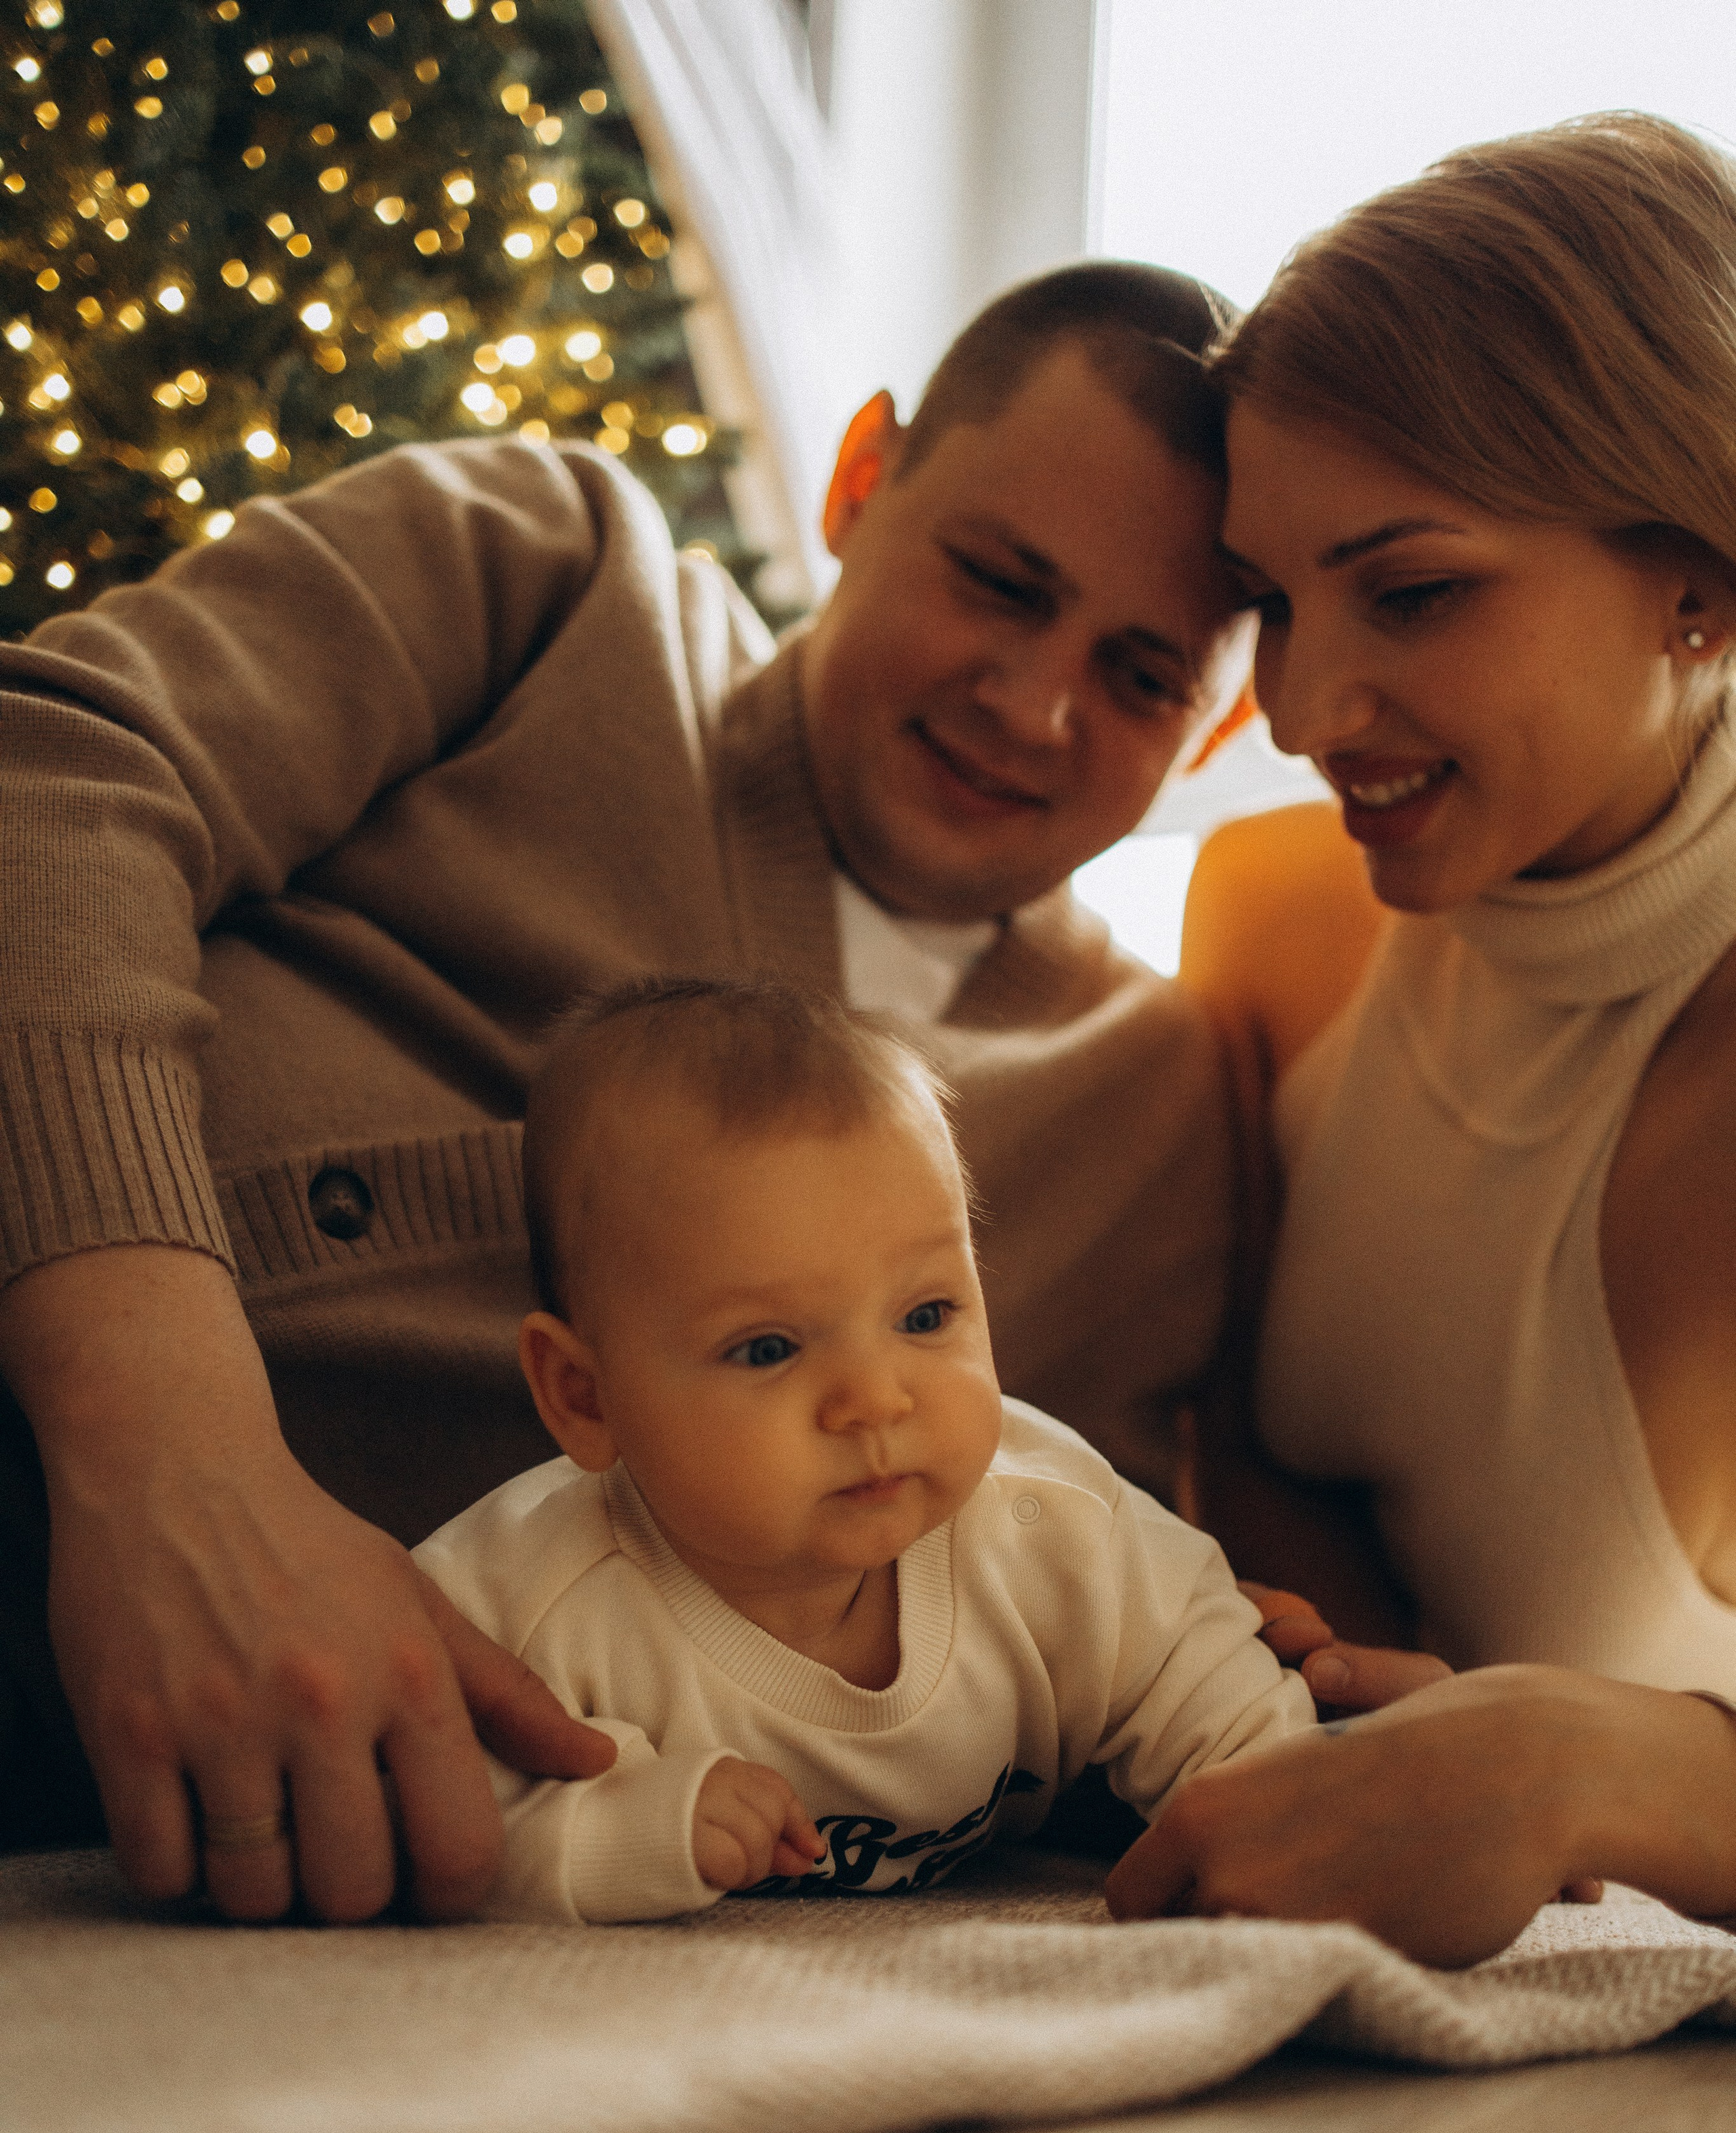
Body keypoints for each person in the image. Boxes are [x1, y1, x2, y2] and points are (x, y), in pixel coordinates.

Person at [0, 260, 1271, 1922]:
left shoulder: (1145, 1100)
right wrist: (168, 1458)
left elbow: (1047, 1588)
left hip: (389, 1863)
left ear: (1212, 722)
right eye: (997, 582)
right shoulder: (545, 572)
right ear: (858, 479)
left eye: (1138, 675)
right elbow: (47, 780)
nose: (1033, 705)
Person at [1111, 113, 1736, 1959]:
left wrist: (1584, 1765)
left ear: (1698, 575)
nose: (1302, 710)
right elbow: (1273, 1452)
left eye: (1414, 590)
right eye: (1273, 605)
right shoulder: (1276, 913)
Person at [414, 978, 1320, 1923]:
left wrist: (1277, 1805)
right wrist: (626, 1831)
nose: (876, 1400)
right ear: (584, 1397)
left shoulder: (1050, 1525)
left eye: (926, 1316)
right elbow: (437, 1818)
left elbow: (1202, 1668)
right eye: (769, 1348)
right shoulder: (522, 1604)